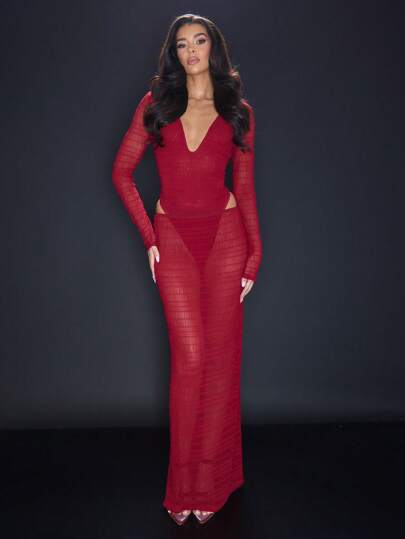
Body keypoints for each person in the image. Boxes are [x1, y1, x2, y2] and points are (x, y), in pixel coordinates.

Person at [112, 13, 263, 526]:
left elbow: (245, 189)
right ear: (174, 54)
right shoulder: (155, 105)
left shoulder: (238, 111)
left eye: (200, 41)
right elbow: (122, 173)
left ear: (213, 49)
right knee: (191, 358)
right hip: (174, 239)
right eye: (182, 44)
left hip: (226, 240)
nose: (192, 50)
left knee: (218, 364)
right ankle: (183, 487)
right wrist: (149, 238)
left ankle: (210, 485)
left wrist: (255, 253)